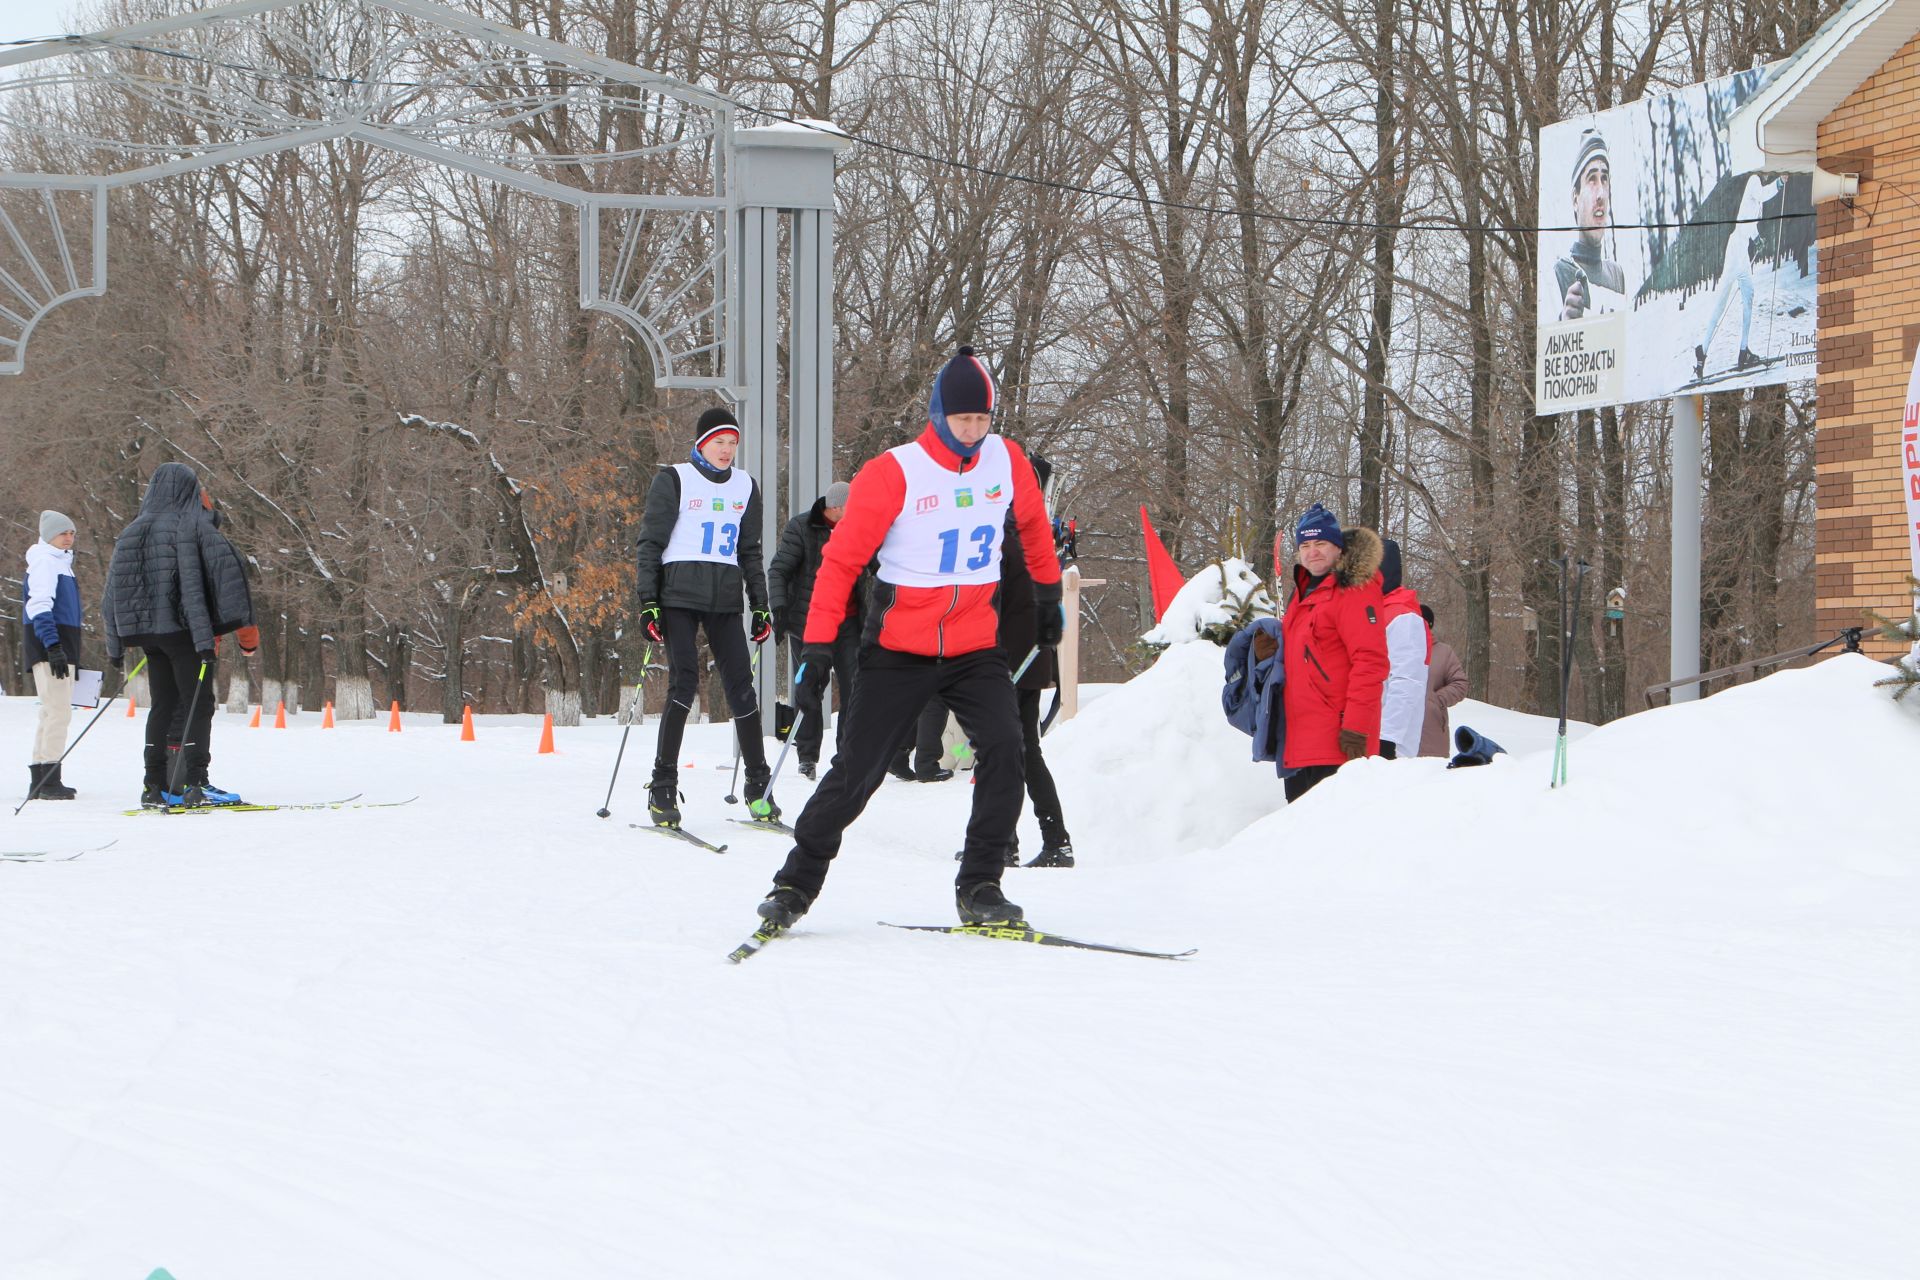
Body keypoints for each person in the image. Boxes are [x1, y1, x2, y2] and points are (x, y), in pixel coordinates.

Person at [754, 346, 1062, 930]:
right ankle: (796, 882)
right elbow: (840, 563)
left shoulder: (1008, 460)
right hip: (898, 650)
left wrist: (1048, 598)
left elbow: (1033, 530)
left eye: (982, 420)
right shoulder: (895, 472)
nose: (972, 431)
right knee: (858, 771)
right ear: (937, 414)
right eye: (961, 419)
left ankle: (980, 883)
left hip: (975, 646)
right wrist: (819, 648)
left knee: (1007, 749)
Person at [635, 406, 776, 826]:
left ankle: (758, 785)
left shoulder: (746, 486)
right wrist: (649, 602)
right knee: (684, 685)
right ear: (701, 443)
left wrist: (761, 603)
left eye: (733, 443)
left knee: (742, 692)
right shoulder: (674, 479)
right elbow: (650, 544)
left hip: (726, 600)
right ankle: (662, 787)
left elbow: (750, 551)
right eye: (719, 442)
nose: (727, 450)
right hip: (678, 596)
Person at [102, 462, 258, 807]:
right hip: (186, 633)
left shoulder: (131, 531)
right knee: (197, 704)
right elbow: (229, 571)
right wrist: (228, 624)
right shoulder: (193, 526)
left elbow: (111, 591)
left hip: (148, 636)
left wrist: (114, 642)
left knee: (162, 706)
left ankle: (153, 786)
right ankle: (194, 784)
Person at [1273, 503, 1389, 803]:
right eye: (1306, 545)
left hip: (1337, 740)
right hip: (1300, 742)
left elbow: (1370, 661)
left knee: (1334, 840)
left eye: (1321, 543)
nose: (1313, 552)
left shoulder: (1353, 591)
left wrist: (1356, 728)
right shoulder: (1304, 592)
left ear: (1338, 547)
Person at [996, 452, 1073, 866]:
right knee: (1010, 749)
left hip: (1016, 658)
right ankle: (1008, 839)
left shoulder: (1023, 528)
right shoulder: (1017, 524)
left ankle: (1048, 840)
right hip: (1011, 654)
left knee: (1017, 750)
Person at [768, 480, 860, 780]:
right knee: (809, 687)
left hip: (849, 623)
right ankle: (807, 755)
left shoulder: (860, 529)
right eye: (851, 506)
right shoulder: (802, 528)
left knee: (854, 688)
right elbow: (779, 569)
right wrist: (779, 608)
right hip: (810, 622)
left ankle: (849, 753)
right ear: (835, 508)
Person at [1693, 173, 1788, 379]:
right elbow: (1763, 195)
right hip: (1736, 248)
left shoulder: (1755, 190)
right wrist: (1779, 183)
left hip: (1741, 249)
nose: (1767, 174)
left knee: (1749, 296)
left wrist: (1757, 239)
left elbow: (1749, 223)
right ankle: (1704, 348)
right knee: (1723, 301)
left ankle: (1742, 350)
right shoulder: (1754, 180)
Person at [22, 510, 83, 800]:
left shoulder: (61, 563)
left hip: (60, 643)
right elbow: (39, 605)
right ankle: (49, 780)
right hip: (51, 644)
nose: (68, 538)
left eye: (71, 533)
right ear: (49, 536)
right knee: (59, 711)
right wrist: (53, 645)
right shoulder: (46, 562)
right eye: (63, 533)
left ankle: (41, 776)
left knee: (50, 711)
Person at [1552, 128, 1626, 321]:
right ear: (1575, 199)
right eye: (1592, 179)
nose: (1601, 193)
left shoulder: (1616, 273)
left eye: (1604, 178)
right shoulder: (1561, 270)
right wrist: (1564, 321)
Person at [1376, 537, 1429, 761]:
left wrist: (1387, 738)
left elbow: (1407, 681)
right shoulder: (1375, 611)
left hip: (1390, 745)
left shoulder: (1403, 616)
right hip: (1367, 736)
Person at [1419, 605, 1470, 759]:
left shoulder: (1444, 652)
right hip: (1397, 738)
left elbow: (1460, 684)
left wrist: (1435, 700)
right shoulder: (1394, 650)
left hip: (1432, 739)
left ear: (1428, 625)